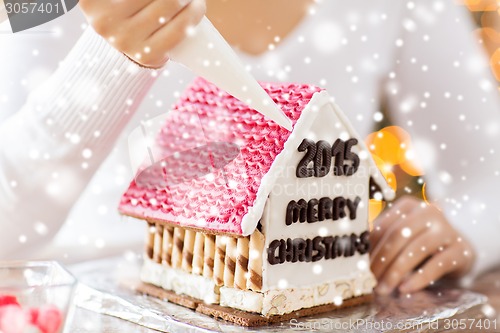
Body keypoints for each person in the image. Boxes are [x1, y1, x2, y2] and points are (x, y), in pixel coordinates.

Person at [0, 0, 498, 295]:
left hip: (307, 300)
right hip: (90, 305)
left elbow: (489, 171)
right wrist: (112, 57)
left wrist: (465, 233)